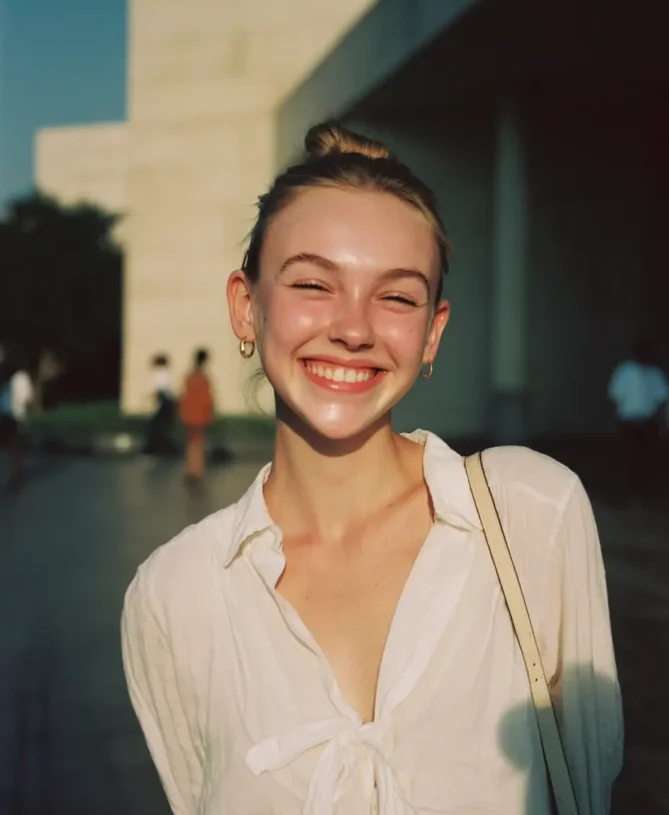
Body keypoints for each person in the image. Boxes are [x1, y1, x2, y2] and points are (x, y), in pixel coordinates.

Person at [122, 123, 622, 814]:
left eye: (395, 296)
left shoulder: (530, 511)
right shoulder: (175, 594)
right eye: (312, 284)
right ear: (246, 306)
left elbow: (589, 785)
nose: (353, 328)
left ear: (432, 332)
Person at [608, 339, 669, 503]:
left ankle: (644, 493)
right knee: (628, 458)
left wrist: (662, 424)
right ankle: (627, 495)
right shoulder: (625, 372)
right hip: (629, 422)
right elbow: (615, 396)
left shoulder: (655, 374)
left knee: (647, 458)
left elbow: (662, 399)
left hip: (648, 422)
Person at [178, 348, 214, 479]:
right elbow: (207, 398)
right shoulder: (203, 378)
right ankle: (197, 469)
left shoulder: (190, 376)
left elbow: (184, 396)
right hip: (200, 415)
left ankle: (191, 468)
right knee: (198, 442)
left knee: (191, 442)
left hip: (190, 414)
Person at [0, 349, 33, 487]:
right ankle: (15, 475)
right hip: (4, 414)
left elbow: (27, 397)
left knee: (14, 447)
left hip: (14, 415)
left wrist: (21, 410)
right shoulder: (4, 377)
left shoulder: (20, 376)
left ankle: (16, 476)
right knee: (11, 447)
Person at [144, 353, 176, 455]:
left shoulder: (159, 374)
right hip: (168, 401)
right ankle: (162, 447)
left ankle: (156, 447)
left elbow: (158, 391)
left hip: (163, 401)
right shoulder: (166, 374)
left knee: (157, 426)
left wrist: (155, 406)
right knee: (163, 426)